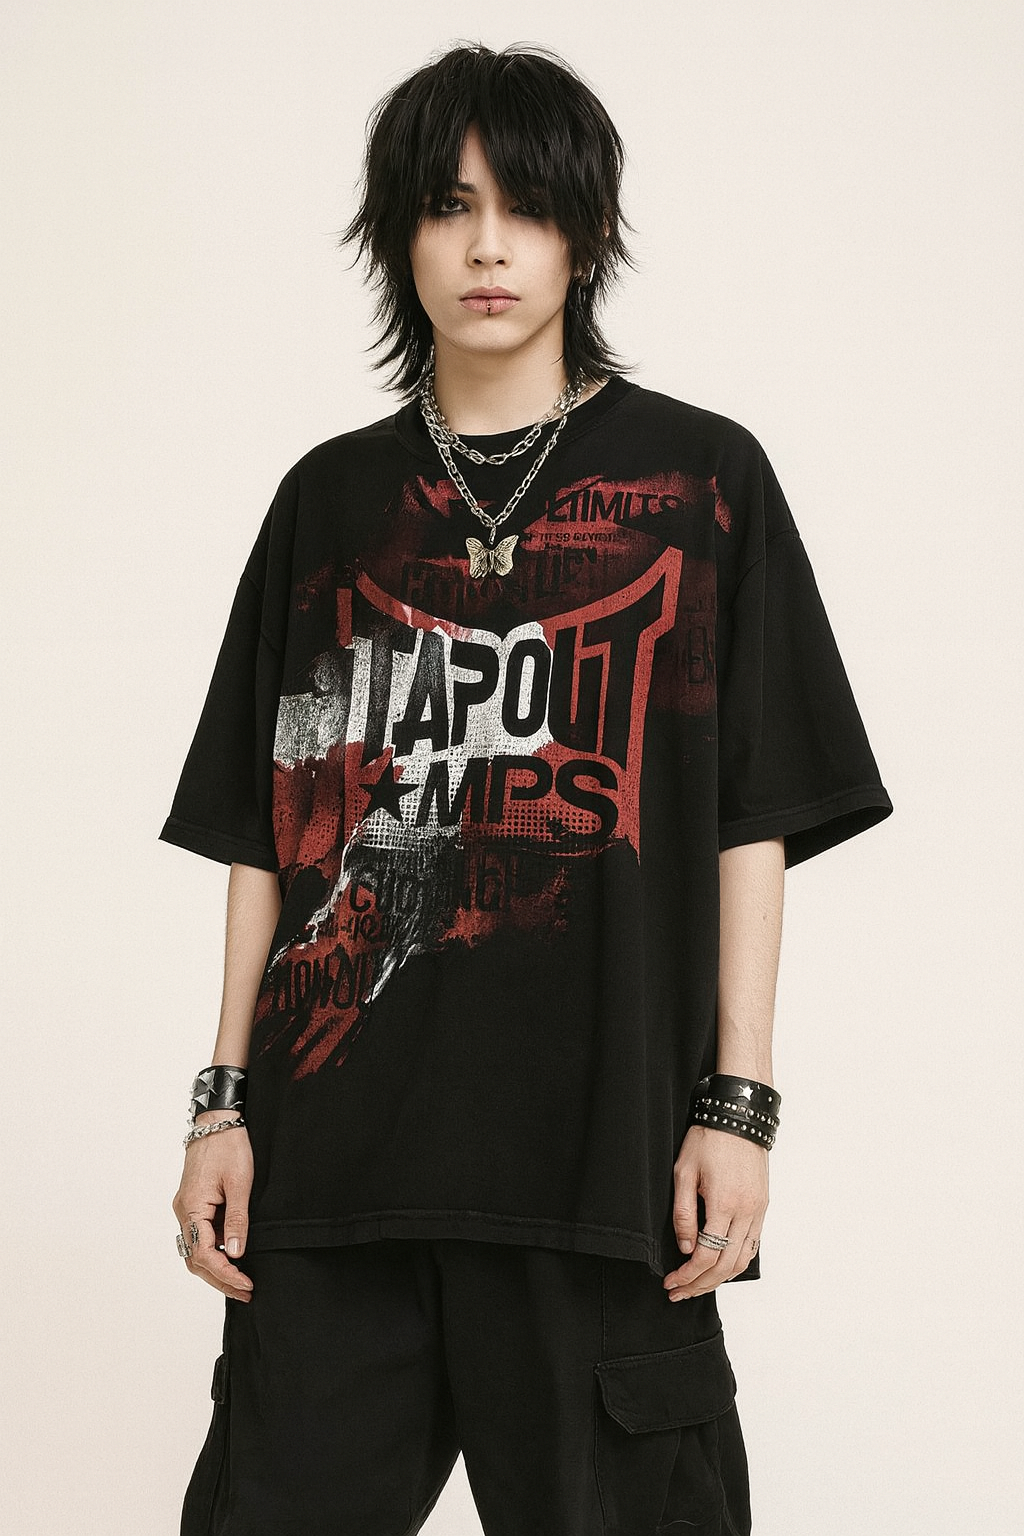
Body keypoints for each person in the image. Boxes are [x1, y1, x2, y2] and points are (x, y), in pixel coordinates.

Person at [164, 41, 892, 1536]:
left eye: (526, 207)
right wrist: (219, 1106)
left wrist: (740, 1107)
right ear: (398, 235)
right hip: (335, 1172)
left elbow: (750, 817)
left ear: (585, 232)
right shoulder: (327, 502)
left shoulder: (703, 484)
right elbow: (265, 833)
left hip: (603, 1176)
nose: (487, 246)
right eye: (448, 206)